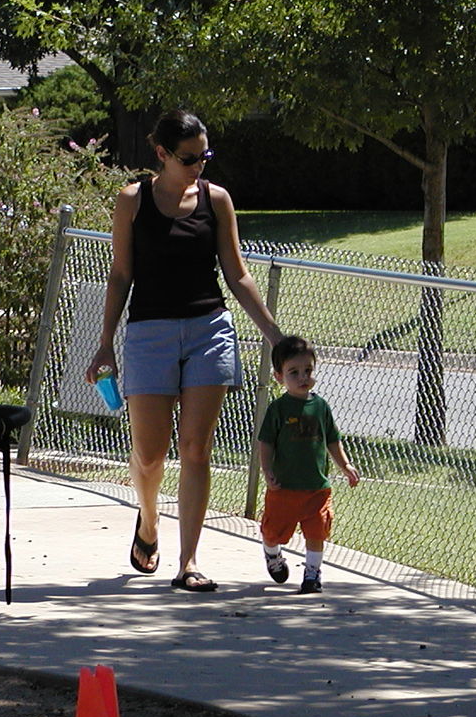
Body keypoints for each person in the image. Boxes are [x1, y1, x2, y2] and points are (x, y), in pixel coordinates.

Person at [85, 109, 283, 592]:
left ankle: (187, 562)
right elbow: (120, 275)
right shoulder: (132, 201)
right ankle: (148, 521)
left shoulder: (216, 201)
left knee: (196, 449)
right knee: (150, 455)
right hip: (149, 333)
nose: (199, 165)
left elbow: (237, 275)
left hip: (207, 330)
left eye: (204, 155)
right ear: (162, 154)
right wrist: (105, 343)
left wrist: (276, 338)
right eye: (189, 158)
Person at [256, 335, 359, 594]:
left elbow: (332, 440)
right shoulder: (278, 409)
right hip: (284, 488)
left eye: (308, 371)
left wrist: (344, 465)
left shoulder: (321, 406)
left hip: (316, 487)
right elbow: (266, 443)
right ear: (279, 376)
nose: (303, 377)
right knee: (273, 531)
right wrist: (267, 470)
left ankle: (312, 574)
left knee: (317, 531)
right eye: (294, 372)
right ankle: (272, 553)